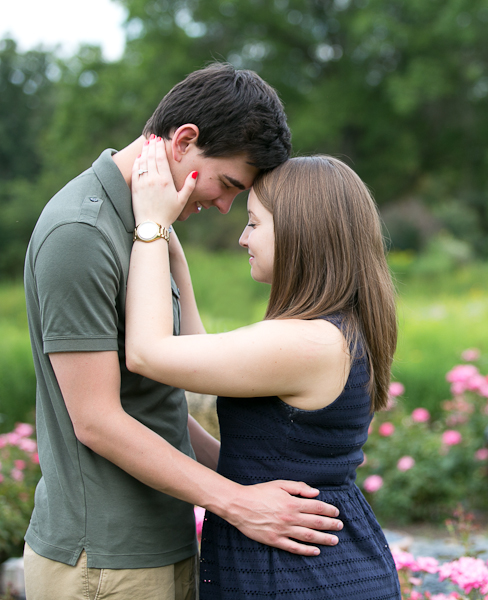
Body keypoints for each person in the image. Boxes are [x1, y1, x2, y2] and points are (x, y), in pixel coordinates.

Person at [22, 64, 343, 600]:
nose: (223, 206)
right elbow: (98, 421)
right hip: (103, 561)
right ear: (185, 140)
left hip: (161, 542)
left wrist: (256, 489)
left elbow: (153, 406)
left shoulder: (149, 229)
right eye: (228, 184)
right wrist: (238, 504)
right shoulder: (81, 233)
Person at [125, 139, 401, 599]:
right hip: (308, 566)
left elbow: (148, 354)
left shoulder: (308, 342)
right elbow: (201, 358)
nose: (243, 238)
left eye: (254, 223)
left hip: (299, 576)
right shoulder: (329, 331)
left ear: (299, 231)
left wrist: (150, 227)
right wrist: (174, 258)